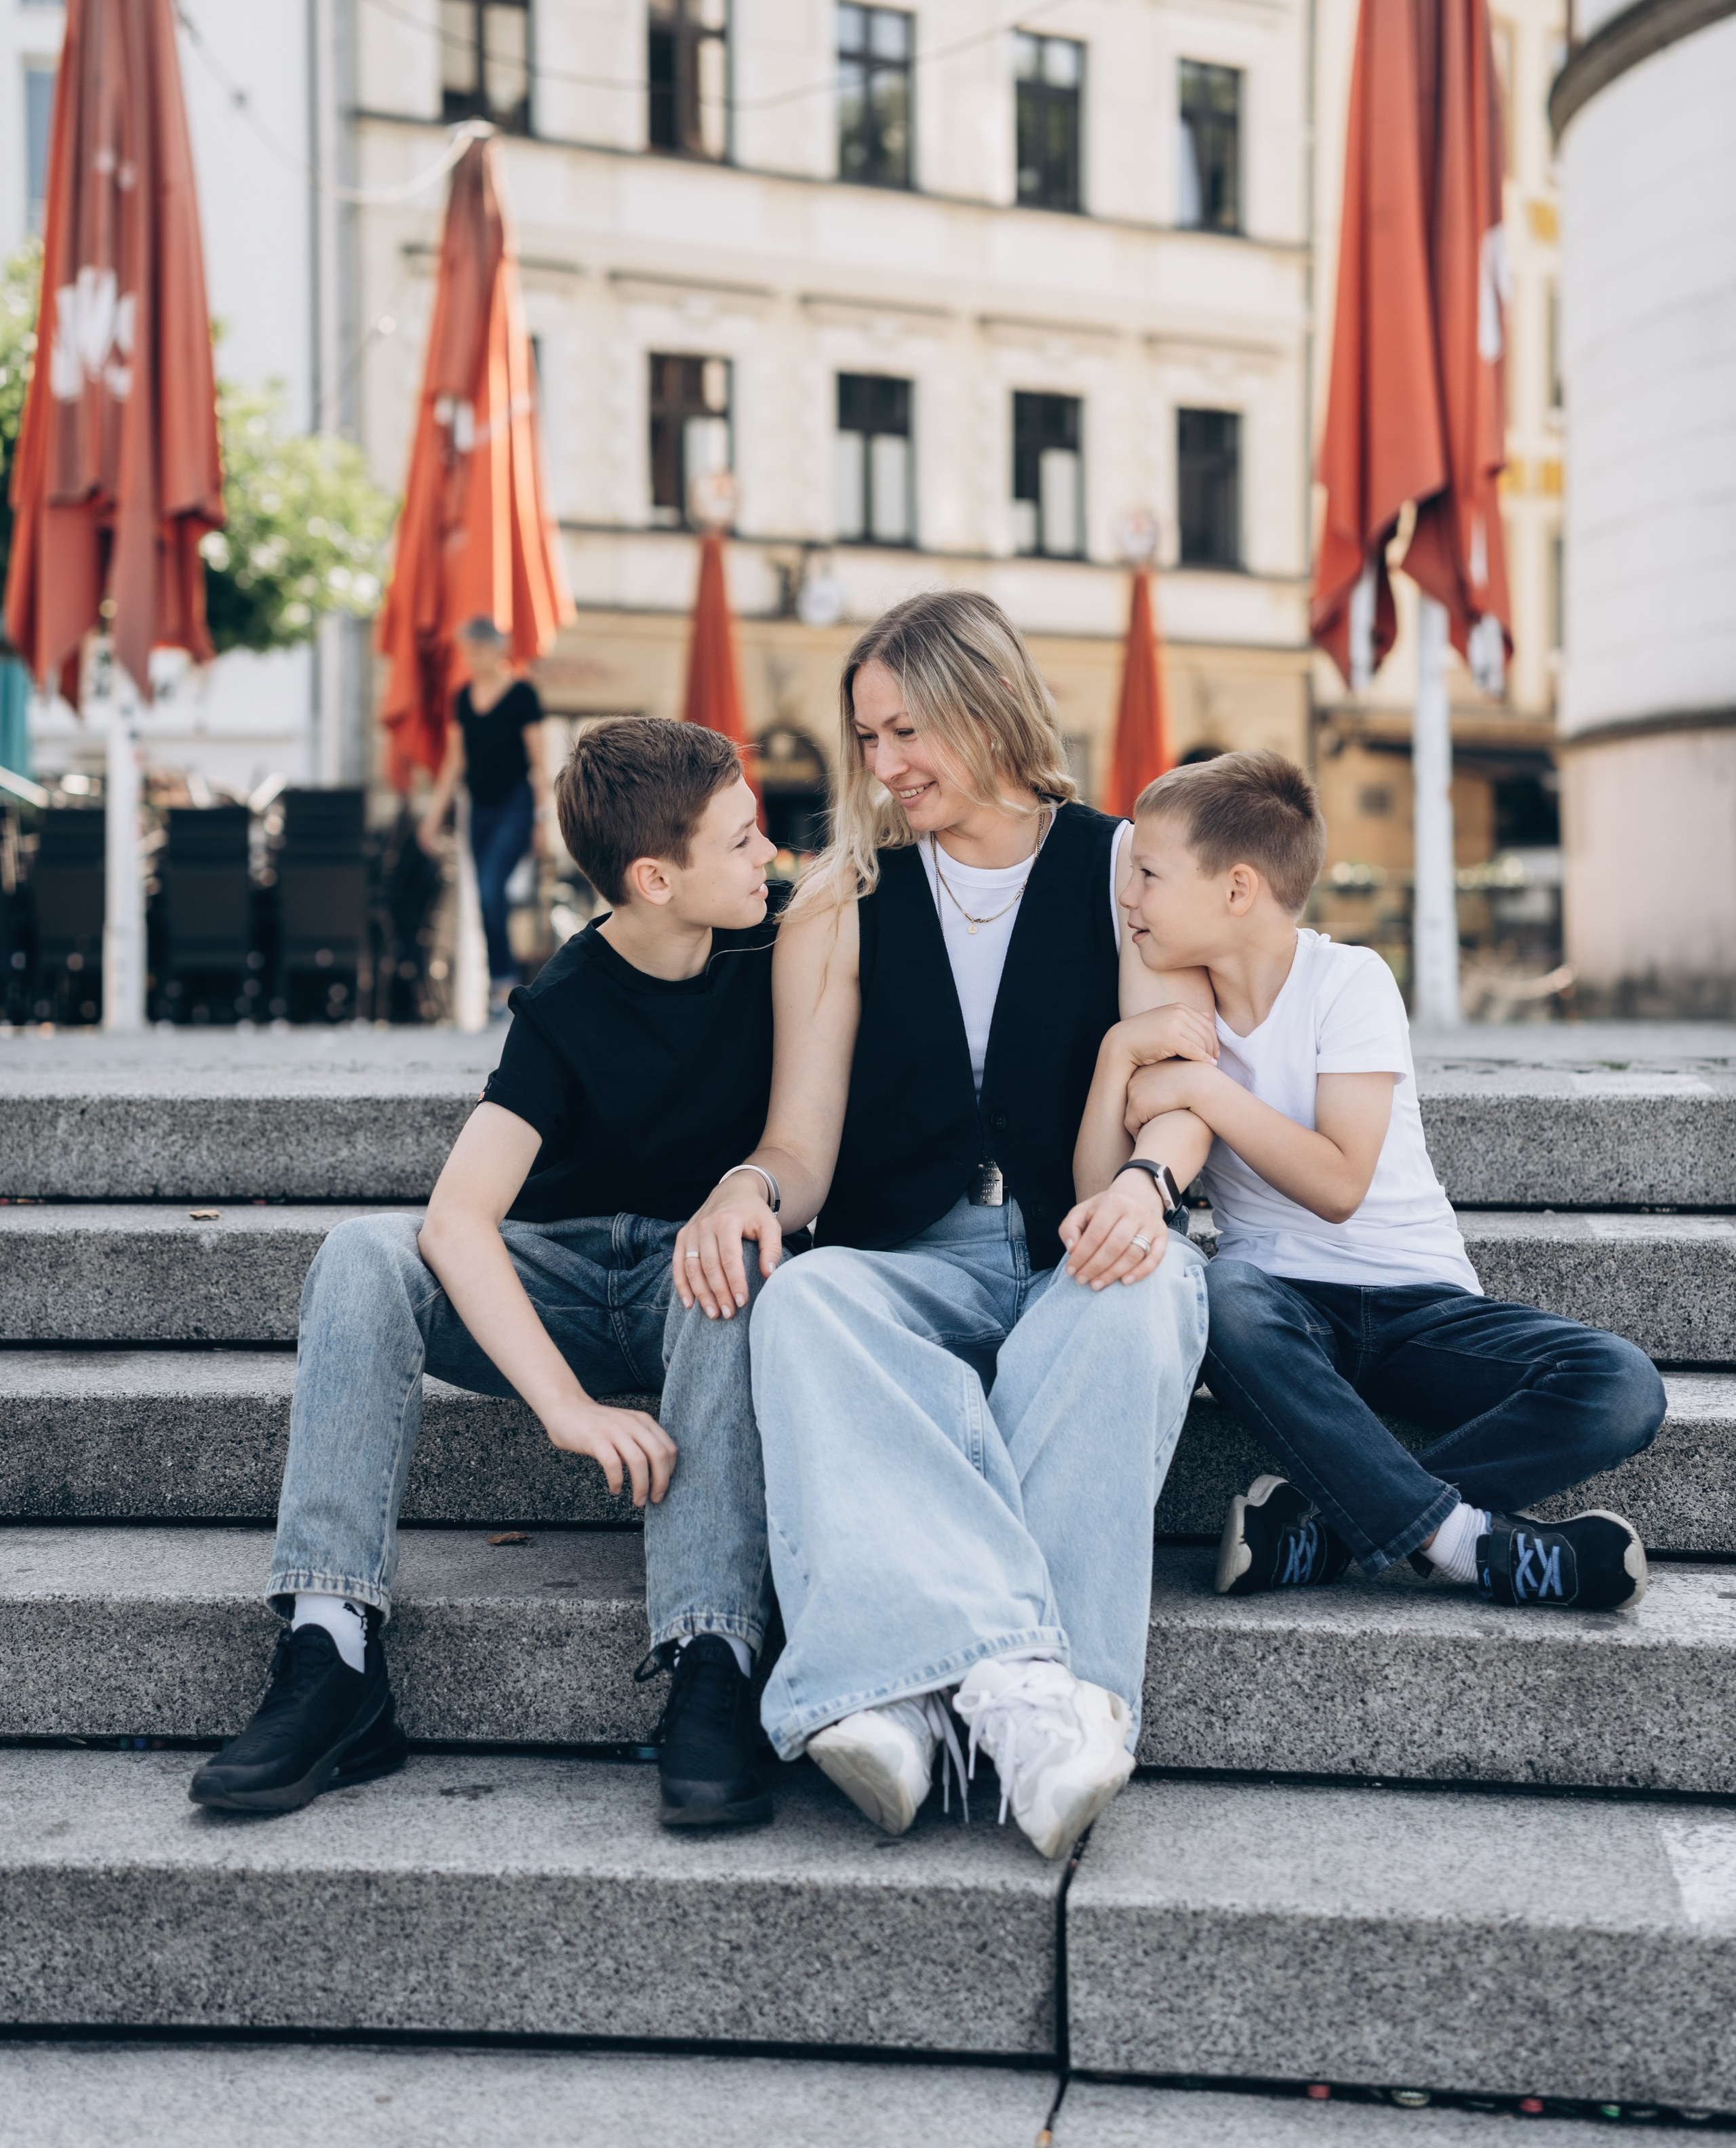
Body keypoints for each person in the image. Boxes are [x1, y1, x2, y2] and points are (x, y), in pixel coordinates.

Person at [675, 590, 1215, 1863]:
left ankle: (918, 1689)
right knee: (803, 1302)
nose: (885, 766)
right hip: (913, 1250)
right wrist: (749, 1187)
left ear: (986, 704)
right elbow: (802, 1144)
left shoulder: (1125, 859)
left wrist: (1147, 1186)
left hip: (1080, 1234)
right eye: (867, 739)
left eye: (906, 729)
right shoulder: (843, 898)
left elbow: (1183, 1084)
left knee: (1135, 1300)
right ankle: (1029, 1698)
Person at [191, 717, 788, 1826]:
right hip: (557, 1282)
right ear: (656, 877)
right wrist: (564, 1407)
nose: (771, 859)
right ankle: (332, 1650)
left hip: (694, 1284)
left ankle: (714, 1654)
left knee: (734, 1258)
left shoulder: (783, 941)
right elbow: (458, 1222)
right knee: (363, 1252)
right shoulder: (565, 1002)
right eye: (746, 841)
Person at [1088, 747, 1666, 1612]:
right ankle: (1473, 1545)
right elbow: (1100, 1188)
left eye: (1148, 874)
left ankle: (1326, 1527)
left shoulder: (1348, 980)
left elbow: (1338, 1182)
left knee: (1622, 1385)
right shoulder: (1179, 1007)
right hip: (1285, 1317)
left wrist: (1205, 1087)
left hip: (1420, 1308)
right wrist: (1115, 1057)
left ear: (1237, 888)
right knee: (1223, 1296)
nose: (1127, 895)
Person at [418, 617, 551, 1018]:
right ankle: (499, 987)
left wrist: (543, 819)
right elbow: (455, 763)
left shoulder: (523, 695)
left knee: (493, 889)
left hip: (516, 806)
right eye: (467, 650)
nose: (471, 657)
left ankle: (503, 984)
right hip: (478, 811)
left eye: (478, 649)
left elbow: (538, 762)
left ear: (499, 650)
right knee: (484, 899)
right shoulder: (462, 697)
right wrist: (432, 817)